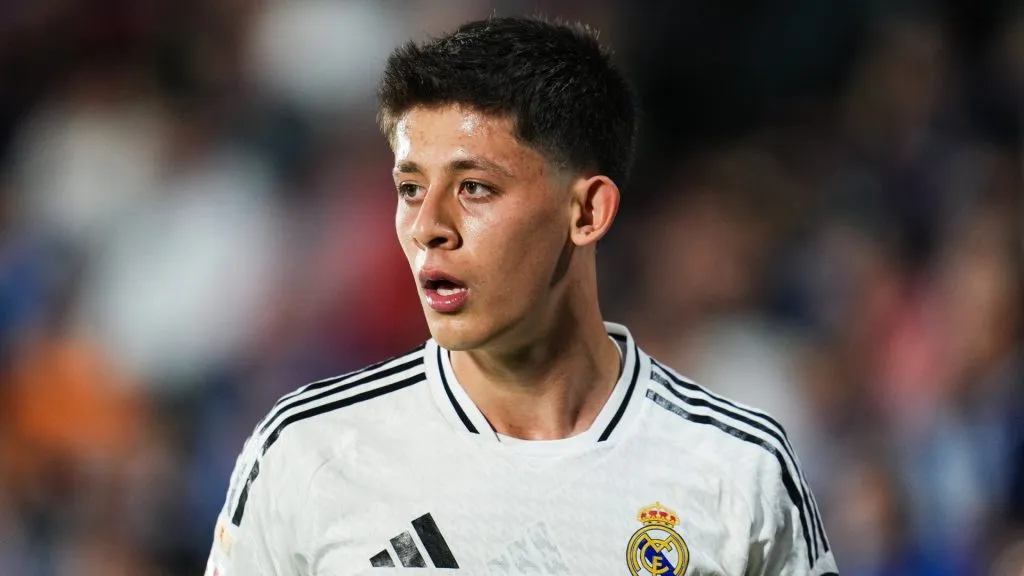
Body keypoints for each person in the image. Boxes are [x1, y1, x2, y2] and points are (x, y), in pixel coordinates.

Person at [205, 16, 838, 575]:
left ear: (587, 211)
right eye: (410, 188)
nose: (429, 226)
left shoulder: (737, 470)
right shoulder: (310, 451)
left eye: (475, 187)